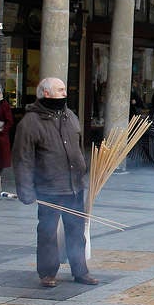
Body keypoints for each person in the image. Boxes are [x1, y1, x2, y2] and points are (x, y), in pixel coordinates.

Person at [12, 78, 98, 288]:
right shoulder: (31, 122)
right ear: (46, 93)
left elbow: (77, 147)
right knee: (48, 231)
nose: (65, 93)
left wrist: (82, 170)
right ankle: (48, 273)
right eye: (60, 90)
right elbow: (22, 159)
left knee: (76, 229)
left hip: (74, 186)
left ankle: (81, 270)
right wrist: (26, 191)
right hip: (49, 187)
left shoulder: (70, 116)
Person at [0, 88, 14, 174]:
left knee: (0, 162)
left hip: (1, 136)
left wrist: (1, 130)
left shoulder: (4, 104)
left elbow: (9, 121)